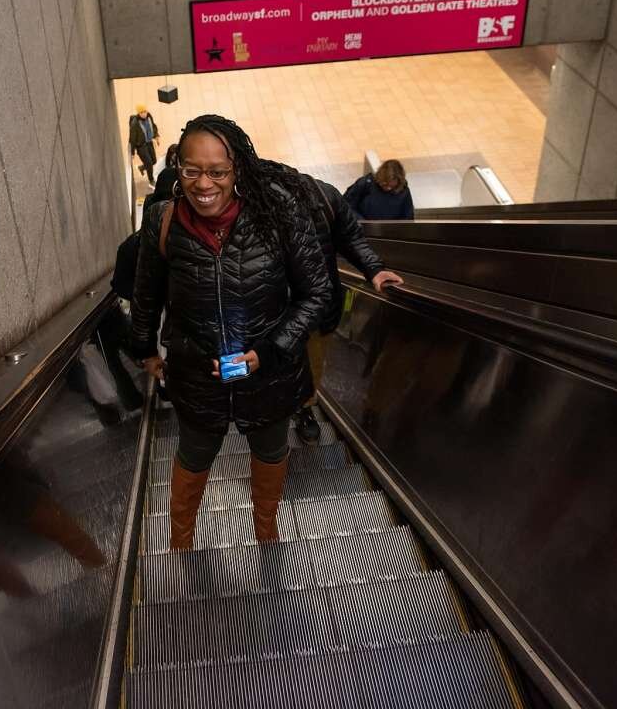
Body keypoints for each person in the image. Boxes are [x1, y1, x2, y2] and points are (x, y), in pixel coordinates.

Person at [130, 115, 330, 549]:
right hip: (197, 373)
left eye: (218, 171)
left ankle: (267, 532)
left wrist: (269, 352)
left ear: (238, 168)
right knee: (195, 454)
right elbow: (146, 293)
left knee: (271, 449)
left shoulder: (277, 213)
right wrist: (144, 349)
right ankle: (180, 544)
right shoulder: (163, 221)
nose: (204, 184)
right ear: (177, 167)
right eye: (191, 170)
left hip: (269, 372)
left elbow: (316, 292)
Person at [291, 174, 404, 442]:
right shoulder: (247, 205)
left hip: (318, 310)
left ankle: (304, 409)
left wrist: (374, 269)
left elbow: (350, 236)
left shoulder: (322, 195)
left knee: (313, 362)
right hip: (271, 312)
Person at [343, 158, 415, 220]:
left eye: (392, 187)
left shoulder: (404, 191)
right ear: (379, 178)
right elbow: (346, 205)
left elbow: (408, 217)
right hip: (363, 228)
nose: (388, 188)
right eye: (385, 184)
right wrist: (361, 221)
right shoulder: (366, 183)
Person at [128, 105, 160, 185]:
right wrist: (132, 152)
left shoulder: (149, 116)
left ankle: (141, 168)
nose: (144, 114)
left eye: (145, 111)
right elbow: (132, 139)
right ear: (138, 113)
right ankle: (151, 180)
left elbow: (153, 126)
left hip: (149, 143)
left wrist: (156, 136)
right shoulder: (135, 124)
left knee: (154, 161)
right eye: (142, 112)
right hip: (141, 146)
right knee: (149, 163)